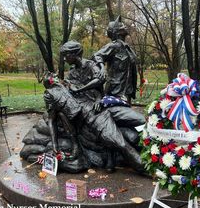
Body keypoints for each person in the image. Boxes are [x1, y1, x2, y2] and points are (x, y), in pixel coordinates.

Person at [43, 41, 144, 171]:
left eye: (66, 55)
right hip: (92, 112)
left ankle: (157, 143)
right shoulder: (72, 74)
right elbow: (70, 97)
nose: (64, 58)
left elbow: (100, 81)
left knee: (140, 119)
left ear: (74, 54)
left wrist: (92, 95)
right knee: (118, 140)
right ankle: (143, 166)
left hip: (105, 104)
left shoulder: (91, 66)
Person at [92, 16, 138, 104]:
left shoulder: (127, 48)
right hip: (115, 91)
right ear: (117, 31)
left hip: (127, 91)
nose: (124, 26)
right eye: (121, 25)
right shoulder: (113, 46)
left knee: (126, 116)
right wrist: (102, 68)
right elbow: (97, 56)